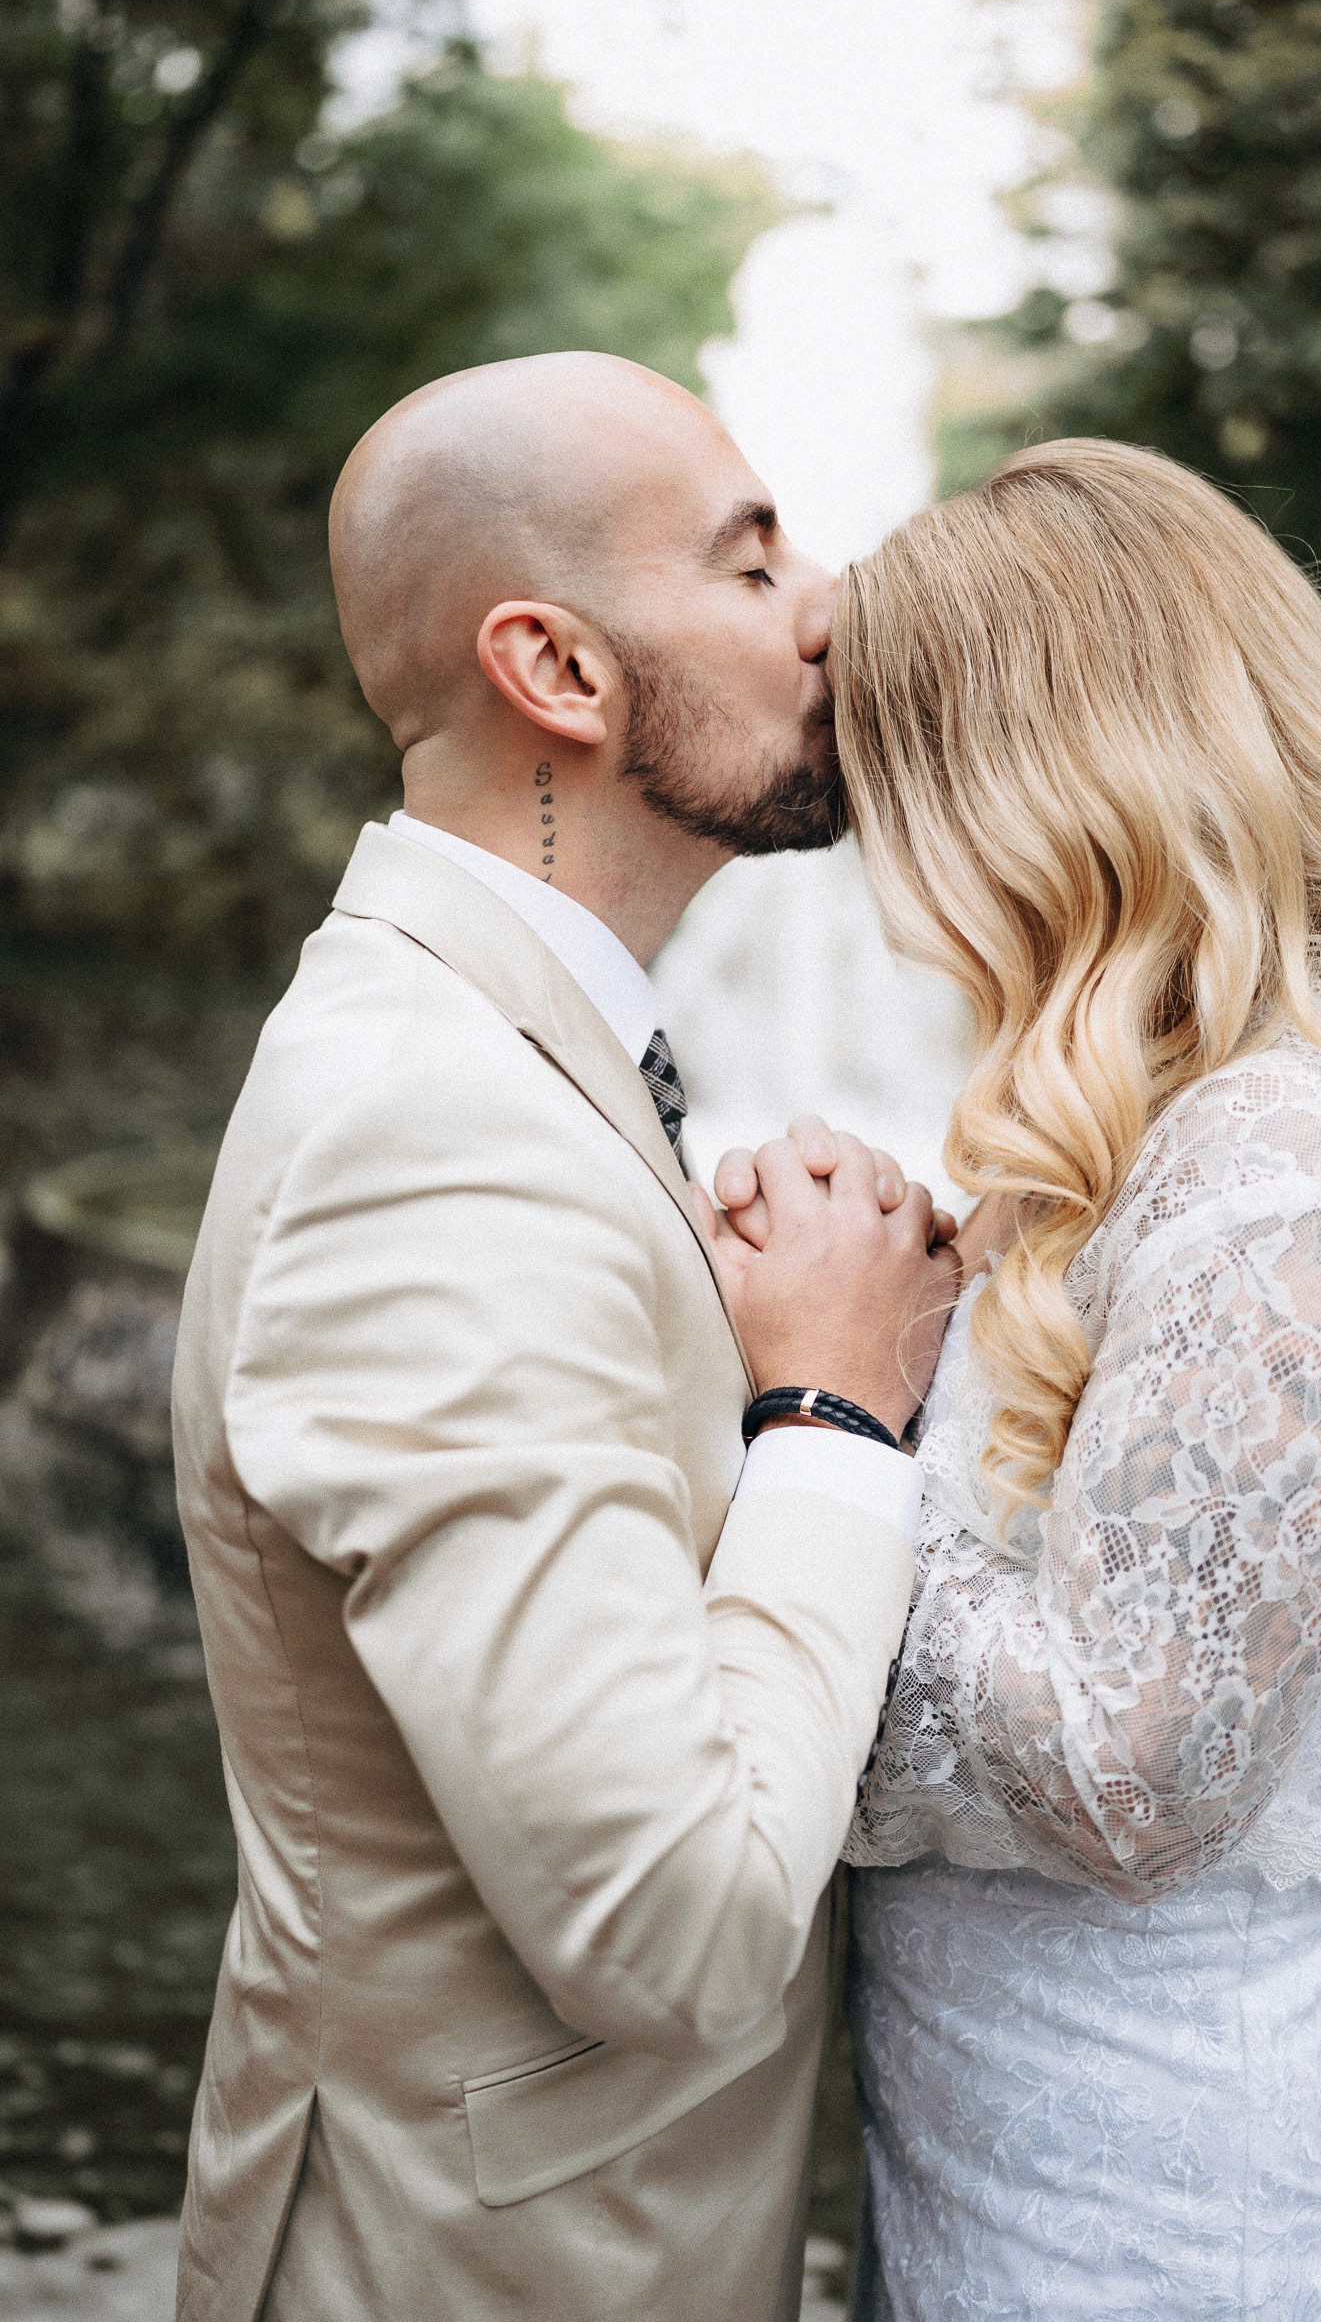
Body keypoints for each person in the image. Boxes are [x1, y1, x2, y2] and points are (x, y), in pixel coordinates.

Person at [716, 438, 1321, 2320]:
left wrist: (831, 1417)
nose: (877, 884)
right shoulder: (1183, 1132)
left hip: (1154, 2237)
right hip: (987, 2189)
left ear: (1014, 792)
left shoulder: (1303, 1187)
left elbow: (1130, 1780)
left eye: (893, 798)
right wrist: (907, 1314)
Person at [170, 350, 959, 2322]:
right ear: (561, 670)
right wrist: (828, 1412)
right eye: (752, 557)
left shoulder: (498, 1048)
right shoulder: (429, 1125)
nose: (834, 601)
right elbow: (671, 1923)